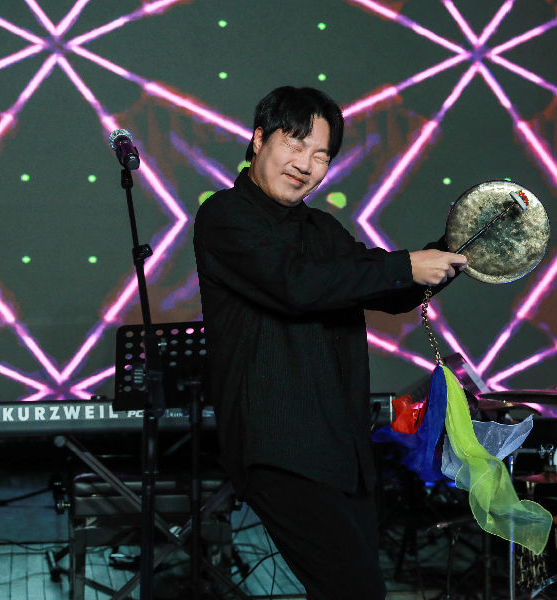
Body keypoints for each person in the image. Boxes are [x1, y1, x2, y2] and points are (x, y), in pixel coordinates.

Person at [193, 86, 466, 599]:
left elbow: (387, 289)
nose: (305, 164)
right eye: (295, 144)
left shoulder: (322, 229)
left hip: (343, 450)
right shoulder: (225, 215)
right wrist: (406, 265)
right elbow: (296, 284)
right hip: (280, 447)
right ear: (259, 140)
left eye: (321, 155)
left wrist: (458, 247)